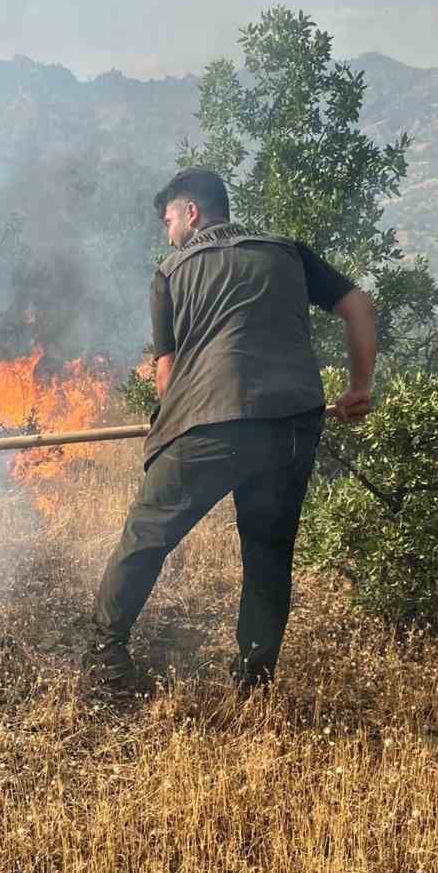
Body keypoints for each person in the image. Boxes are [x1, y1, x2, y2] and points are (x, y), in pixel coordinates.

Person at [82, 167, 376, 697]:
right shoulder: (288, 252)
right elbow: (357, 304)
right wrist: (359, 386)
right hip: (291, 423)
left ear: (190, 212)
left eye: (168, 218)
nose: (167, 231)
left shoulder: (170, 271)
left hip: (207, 421)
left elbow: (167, 373)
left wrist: (169, 425)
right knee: (267, 551)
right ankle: (254, 682)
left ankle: (105, 661)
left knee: (147, 535)